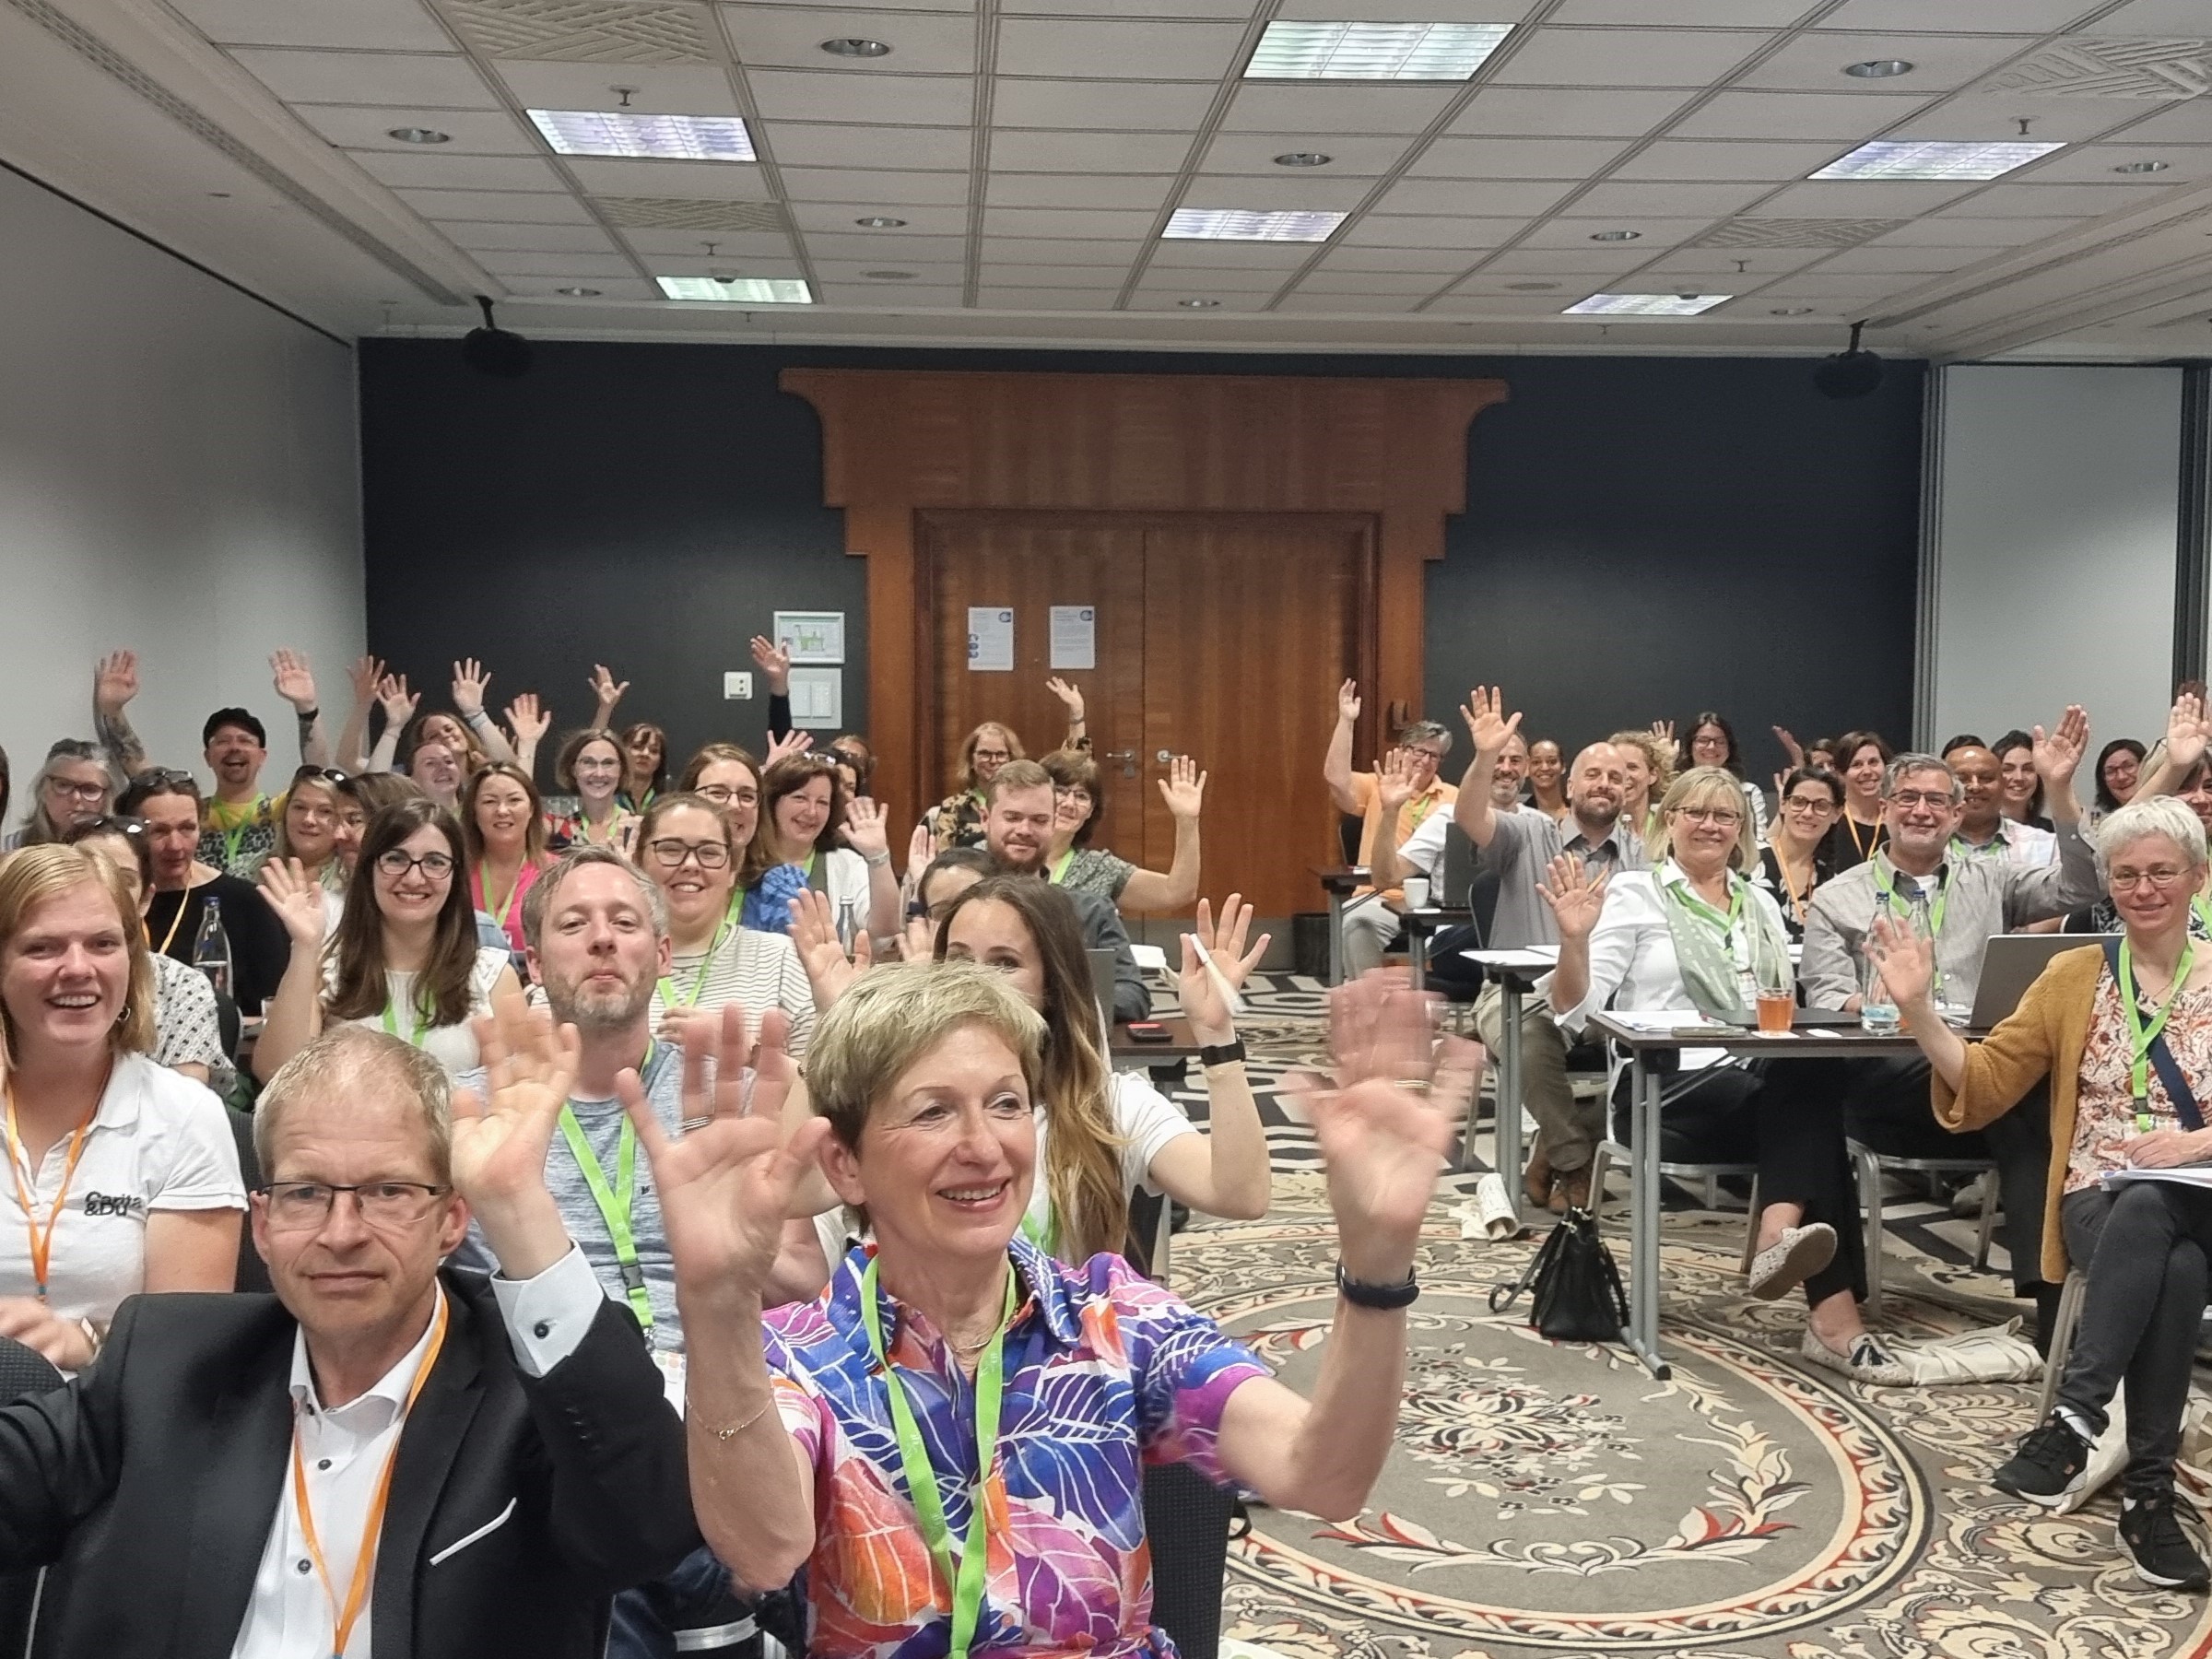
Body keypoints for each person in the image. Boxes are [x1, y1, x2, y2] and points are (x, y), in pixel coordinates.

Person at [646, 963, 1465, 1654]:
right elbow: (762, 1550)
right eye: (934, 1111)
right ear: (845, 1165)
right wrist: (719, 1305)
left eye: (1006, 1103)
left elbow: (1321, 1475)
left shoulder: (1112, 1319)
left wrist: (1377, 1264)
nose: (985, 1144)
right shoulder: (801, 1356)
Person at [0, 1016, 700, 1653]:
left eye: (388, 1191)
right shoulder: (166, 1358)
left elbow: (647, 1531)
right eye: (305, 1193)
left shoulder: (534, 1390)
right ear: (264, 1226)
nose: (342, 1234)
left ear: (452, 1220)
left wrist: (518, 1209)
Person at [461, 853, 820, 1656]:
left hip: (720, 1386)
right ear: (533, 959)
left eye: (625, 923)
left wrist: (736, 1256)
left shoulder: (718, 1096)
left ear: (661, 956)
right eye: (574, 924)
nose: (601, 941)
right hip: (562, 1417)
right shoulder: (482, 1116)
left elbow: (806, 1285)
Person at [1871, 795, 2212, 1589]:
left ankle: (2075, 1413)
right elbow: (1985, 1084)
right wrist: (1918, 1009)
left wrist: (2196, 1141)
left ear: (2197, 877)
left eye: (2163, 871)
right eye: (2126, 874)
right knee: (2169, 1248)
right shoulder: (2073, 976)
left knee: (2163, 1207)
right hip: (2101, 1195)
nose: (2144, 887)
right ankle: (2148, 1501)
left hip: (2206, 1186)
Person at [1543, 766, 1900, 1381]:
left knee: (1810, 1069)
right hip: (1665, 1087)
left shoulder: (1760, 902)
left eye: (1725, 815)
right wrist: (1574, 943)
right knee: (1806, 1098)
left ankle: (1784, 1240)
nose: (1710, 825)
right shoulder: (1635, 894)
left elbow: (1781, 1003)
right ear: (1668, 820)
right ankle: (1825, 1305)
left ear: (1742, 830)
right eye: (1695, 812)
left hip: (1760, 1087)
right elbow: (1577, 1010)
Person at [1799, 730, 2100, 1341]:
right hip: (1892, 1081)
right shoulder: (1839, 899)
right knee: (2023, 1095)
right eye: (1908, 797)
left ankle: (2066, 1301)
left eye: (1938, 801)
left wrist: (2062, 790)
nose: (1922, 811)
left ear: (1958, 814)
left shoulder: (1991, 879)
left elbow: (2083, 889)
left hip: (1986, 1074)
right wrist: (1875, 1001)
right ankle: (2055, 1307)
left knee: (2034, 1094)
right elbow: (1824, 999)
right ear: (1884, 807)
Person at [931, 876, 1269, 1255]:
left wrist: (1216, 1035)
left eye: (1004, 963)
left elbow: (1241, 1195)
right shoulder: (908, 1099)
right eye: (959, 959)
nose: (974, 980)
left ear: (1052, 984)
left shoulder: (1111, 1106)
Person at [0, 844, 244, 1370]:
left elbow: (190, 1342)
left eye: (103, 943)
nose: (77, 968)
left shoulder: (184, 1116)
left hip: (110, 1425)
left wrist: (87, 1340)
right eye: (42, 947)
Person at [1404, 688, 1641, 1210]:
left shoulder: (1641, 859)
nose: (1605, 785)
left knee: (1661, 1060)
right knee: (1531, 1040)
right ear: (1570, 783)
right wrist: (1486, 757)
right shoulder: (1528, 833)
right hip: (1513, 996)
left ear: (1629, 790)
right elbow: (1468, 816)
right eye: (1594, 775)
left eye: (1616, 777)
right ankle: (1576, 1162)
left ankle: (1545, 1157)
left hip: (1607, 1003)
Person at [253, 798, 523, 1081]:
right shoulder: (330, 969)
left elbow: (517, 1096)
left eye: (435, 862)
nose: (414, 878)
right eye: (396, 859)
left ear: (455, 877)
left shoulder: (492, 975)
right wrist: (305, 948)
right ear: (369, 870)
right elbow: (276, 1072)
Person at [62, 818, 234, 1090]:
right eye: (87, 876)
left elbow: (183, 1104)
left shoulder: (180, 985)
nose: (105, 892)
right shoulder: (32, 972)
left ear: (146, 898)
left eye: (123, 880)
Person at [635, 794, 816, 1053]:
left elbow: (818, 1085)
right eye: (671, 849)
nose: (690, 864)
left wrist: (744, 1051)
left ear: (732, 870)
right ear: (638, 860)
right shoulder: (608, 961)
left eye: (709, 852)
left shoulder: (781, 959)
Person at [978, 761, 1148, 1021]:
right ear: (985, 819)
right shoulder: (956, 902)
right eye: (1012, 817)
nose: (1024, 830)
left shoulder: (1092, 912)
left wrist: (1053, 1006)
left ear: (1052, 824)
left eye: (1039, 820)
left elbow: (1133, 996)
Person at [123, 771, 291, 1015]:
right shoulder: (115, 900)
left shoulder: (246, 902)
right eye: (159, 831)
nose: (175, 845)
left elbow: (272, 1005)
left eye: (187, 828)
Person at [1322, 682, 1457, 978]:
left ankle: (1429, 1005)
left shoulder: (1452, 797)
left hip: (1436, 901)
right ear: (1402, 751)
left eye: (1434, 756)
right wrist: (1346, 721)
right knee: (1357, 924)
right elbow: (1335, 777)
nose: (1426, 761)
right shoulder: (1375, 786)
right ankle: (1370, 1007)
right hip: (1379, 895)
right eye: (1419, 752)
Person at [1038, 747, 1205, 913]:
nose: (1069, 804)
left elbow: (1176, 893)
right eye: (1060, 791)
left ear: (1090, 811)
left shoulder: (1100, 869)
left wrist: (1187, 820)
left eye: (1081, 796)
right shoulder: (1014, 857)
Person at [757, 755, 900, 947]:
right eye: (800, 798)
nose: (811, 812)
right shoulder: (744, 860)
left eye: (822, 802)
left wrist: (878, 857)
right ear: (772, 801)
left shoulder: (847, 864)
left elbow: (885, 928)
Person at [465, 761, 551, 958]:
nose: (502, 810)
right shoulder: (454, 872)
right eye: (489, 802)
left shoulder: (556, 873)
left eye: (514, 800)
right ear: (474, 812)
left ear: (531, 809)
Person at [1759, 767, 1845, 941]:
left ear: (1837, 814)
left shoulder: (1832, 882)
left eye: (1821, 806)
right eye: (1799, 802)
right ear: (1783, 804)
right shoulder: (1747, 862)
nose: (1807, 813)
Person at [1945, 741, 2058, 867]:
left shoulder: (2045, 846)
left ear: (2002, 784)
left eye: (1986, 778)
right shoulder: (1923, 843)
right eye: (1962, 779)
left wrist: (2061, 786)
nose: (1975, 786)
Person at [923, 721, 1025, 850]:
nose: (993, 761)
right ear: (971, 759)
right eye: (984, 754)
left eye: (1000, 754)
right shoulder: (953, 808)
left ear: (1012, 758)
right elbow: (942, 859)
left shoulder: (1024, 805)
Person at [5, 740, 111, 851]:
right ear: (43, 789)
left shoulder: (119, 852)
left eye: (90, 789)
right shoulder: (8, 849)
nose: (76, 798)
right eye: (64, 785)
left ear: (107, 798)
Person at [1679, 711, 1769, 841]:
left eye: (1720, 742)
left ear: (1729, 749)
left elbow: (1758, 843)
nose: (1711, 747)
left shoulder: (1748, 793)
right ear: (1690, 746)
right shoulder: (1675, 790)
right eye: (1703, 740)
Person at [547, 729, 638, 853]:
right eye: (588, 762)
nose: (599, 773)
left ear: (621, 770)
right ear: (573, 769)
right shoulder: (557, 829)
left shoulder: (640, 828)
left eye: (608, 763)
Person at [1823, 730, 1895, 868]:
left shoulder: (1897, 820)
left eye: (1873, 762)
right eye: (1857, 765)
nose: (1867, 771)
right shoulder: (1828, 819)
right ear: (1840, 774)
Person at [1607, 728, 1670, 841]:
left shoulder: (1668, 828)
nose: (1624, 774)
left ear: (1653, 775)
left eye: (1632, 767)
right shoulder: (1596, 828)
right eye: (1617, 766)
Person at [1997, 728, 2053, 830]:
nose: (2019, 777)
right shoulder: (1978, 830)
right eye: (2008, 769)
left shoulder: (2051, 833)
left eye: (2028, 769)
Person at [2096, 737, 2147, 824]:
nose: (2121, 777)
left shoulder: (2171, 809)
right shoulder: (2100, 823)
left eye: (2128, 766)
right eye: (2111, 771)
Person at [1525, 738, 1568, 822]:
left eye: (1552, 762)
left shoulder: (1579, 812)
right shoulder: (1520, 816)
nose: (1545, 768)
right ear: (1527, 768)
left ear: (1563, 767)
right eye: (1536, 762)